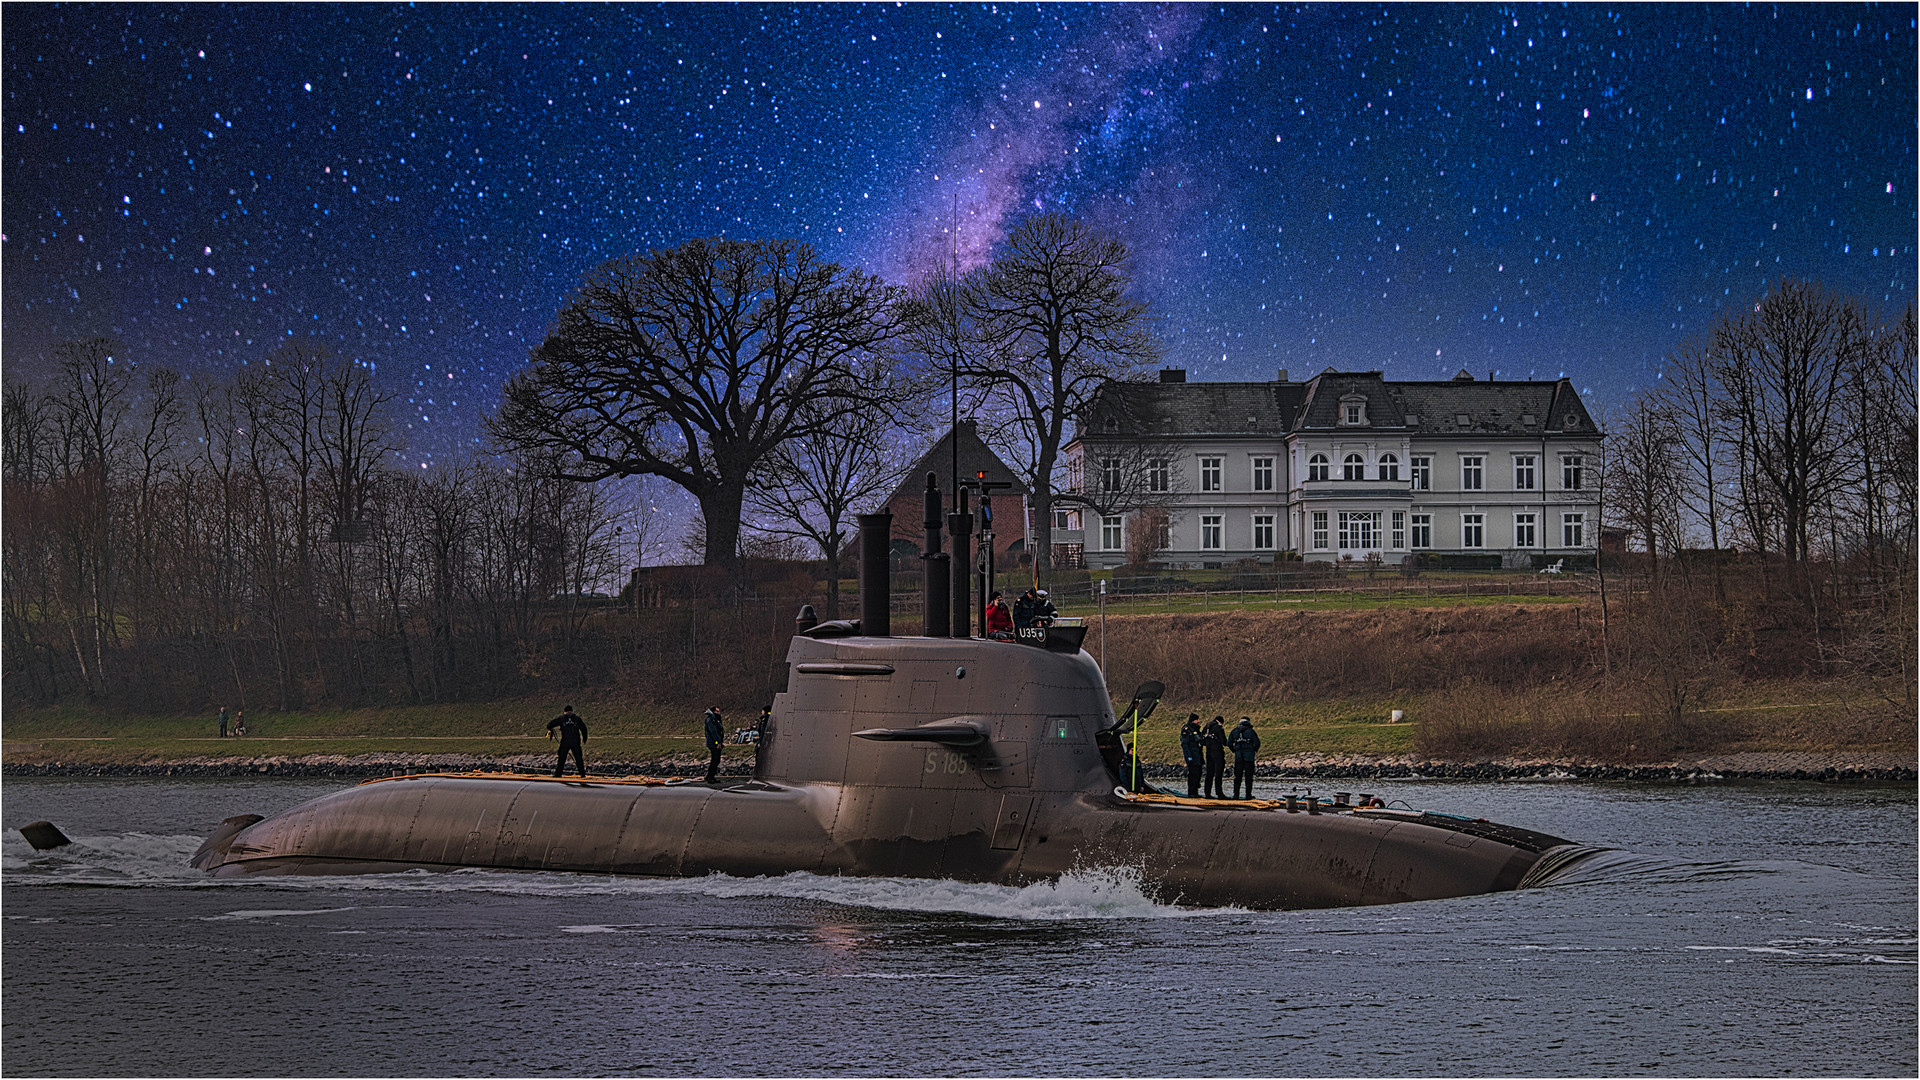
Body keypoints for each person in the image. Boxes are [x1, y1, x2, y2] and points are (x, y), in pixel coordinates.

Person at [547, 705, 588, 778]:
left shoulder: (562, 718)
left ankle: (558, 774)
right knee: (578, 758)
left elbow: (550, 724)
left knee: (561, 758)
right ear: (572, 711)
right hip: (576, 741)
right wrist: (584, 739)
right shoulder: (577, 718)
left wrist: (550, 729)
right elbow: (584, 729)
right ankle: (582, 774)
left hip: (565, 741)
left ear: (564, 712)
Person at [1228, 716, 1262, 799]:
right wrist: (1253, 750)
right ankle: (1248, 795)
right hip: (1249, 757)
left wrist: (1235, 750)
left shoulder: (1234, 731)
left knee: (1237, 777)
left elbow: (1229, 743)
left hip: (1238, 757)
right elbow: (1257, 743)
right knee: (1249, 777)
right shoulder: (1251, 731)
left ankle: (1236, 795)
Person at [1201, 715, 1228, 799]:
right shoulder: (1218, 728)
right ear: (1220, 721)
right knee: (1218, 773)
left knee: (1209, 773)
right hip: (1217, 752)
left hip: (1209, 752)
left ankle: (1207, 793)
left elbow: (1202, 740)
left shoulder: (1207, 727)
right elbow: (1224, 741)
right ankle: (1219, 793)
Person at [1179, 714, 1204, 798]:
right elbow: (1185, 744)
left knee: (1198, 773)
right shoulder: (1186, 730)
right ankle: (1191, 792)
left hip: (1198, 755)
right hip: (1192, 755)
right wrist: (1188, 756)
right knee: (1193, 774)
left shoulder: (1196, 729)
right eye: (1197, 720)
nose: (1198, 721)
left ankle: (1195, 791)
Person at [703, 705, 725, 783]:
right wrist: (717, 743)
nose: (719, 713)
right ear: (713, 712)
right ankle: (710, 776)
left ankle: (711, 776)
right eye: (717, 711)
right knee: (715, 759)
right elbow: (713, 732)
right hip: (713, 743)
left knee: (716, 760)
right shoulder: (711, 720)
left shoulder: (715, 719)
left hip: (716, 742)